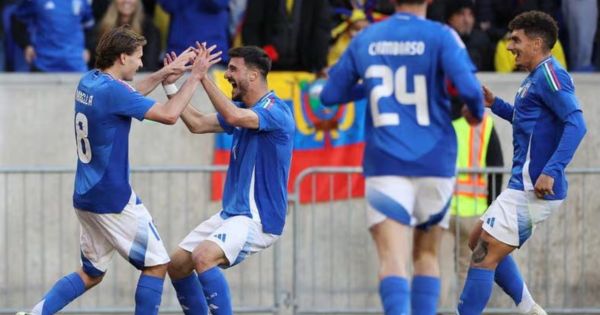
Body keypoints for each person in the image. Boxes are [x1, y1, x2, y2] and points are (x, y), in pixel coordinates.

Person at [16, 25, 222, 315]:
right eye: (138, 57)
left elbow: (130, 93)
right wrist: (196, 76)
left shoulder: (90, 81)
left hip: (86, 197)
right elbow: (169, 114)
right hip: (112, 199)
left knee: (91, 273)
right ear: (123, 57)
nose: (140, 63)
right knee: (157, 263)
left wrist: (165, 74)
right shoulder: (113, 92)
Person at [320, 0, 485, 314]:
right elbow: (470, 90)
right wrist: (475, 114)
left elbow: (330, 95)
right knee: (427, 256)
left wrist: (369, 85)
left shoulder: (366, 38)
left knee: (392, 260)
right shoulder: (442, 35)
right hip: (435, 161)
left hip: (386, 163)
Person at [457, 11, 587, 315]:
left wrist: (551, 171)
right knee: (477, 240)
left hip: (533, 188)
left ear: (537, 42)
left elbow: (576, 123)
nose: (509, 45)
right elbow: (529, 121)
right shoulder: (533, 78)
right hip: (522, 185)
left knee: (483, 254)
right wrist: (495, 105)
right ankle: (529, 308)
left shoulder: (550, 74)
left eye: (516, 39)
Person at [163, 45, 295, 314]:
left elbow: (234, 117)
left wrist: (202, 77)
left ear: (254, 75)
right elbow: (197, 123)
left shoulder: (275, 112)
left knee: (203, 257)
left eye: (233, 69)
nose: (227, 75)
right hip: (232, 214)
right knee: (176, 265)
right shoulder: (242, 109)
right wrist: (170, 87)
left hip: (259, 219)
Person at [11, 0, 95, 72]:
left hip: (76, 64)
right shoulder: (35, 1)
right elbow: (17, 20)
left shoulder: (81, 2)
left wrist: (87, 47)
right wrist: (26, 45)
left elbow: (89, 26)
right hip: (44, 64)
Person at [88, 0, 161, 71]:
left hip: (138, 78)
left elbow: (150, 64)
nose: (127, 1)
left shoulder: (149, 29)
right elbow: (95, 60)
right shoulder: (101, 28)